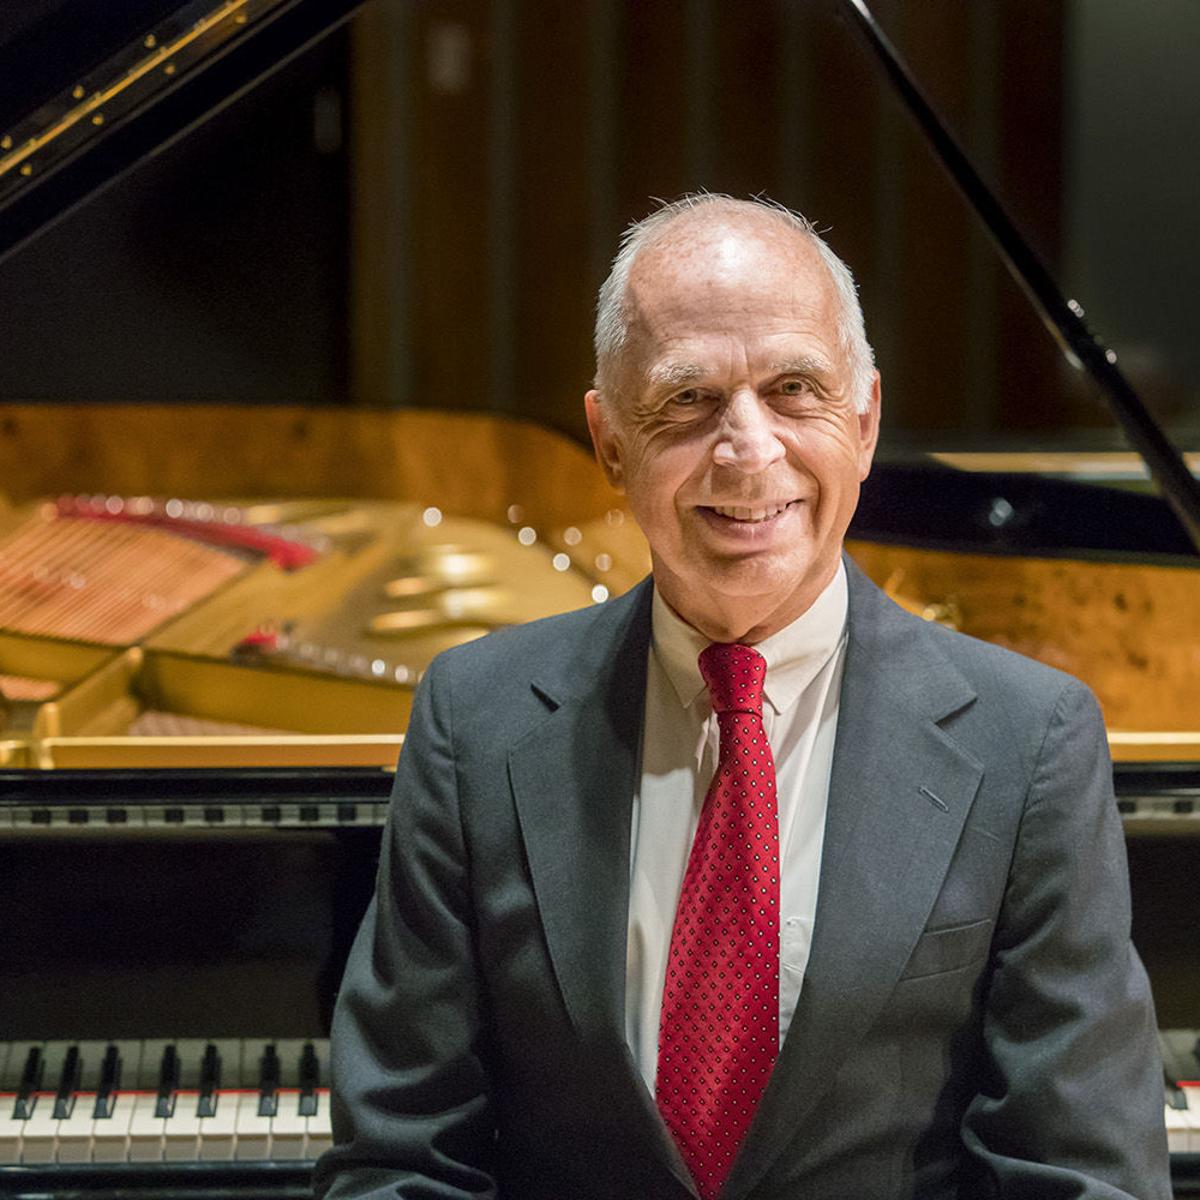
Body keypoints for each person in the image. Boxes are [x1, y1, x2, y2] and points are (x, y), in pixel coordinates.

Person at [314, 195, 1170, 1199]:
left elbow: (1077, 1172)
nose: (747, 448)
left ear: (865, 420)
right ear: (609, 441)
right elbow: (400, 1158)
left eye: (795, 389)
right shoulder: (475, 719)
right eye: (688, 399)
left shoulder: (1031, 742)